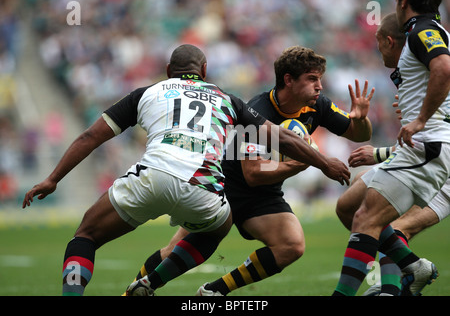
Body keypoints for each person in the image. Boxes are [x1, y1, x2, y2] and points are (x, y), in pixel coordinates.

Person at [22, 44, 350, 296]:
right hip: (204, 187)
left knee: (86, 236)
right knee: (215, 231)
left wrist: (52, 179)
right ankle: (152, 282)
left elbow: (91, 136)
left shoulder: (145, 93)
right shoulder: (228, 99)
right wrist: (325, 163)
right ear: (205, 70)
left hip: (152, 175)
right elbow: (281, 137)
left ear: (168, 70)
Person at [125, 46, 374, 296]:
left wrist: (361, 118)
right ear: (288, 80)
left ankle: (214, 292)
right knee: (172, 251)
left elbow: (359, 134)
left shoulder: (317, 105)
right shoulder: (259, 111)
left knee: (291, 245)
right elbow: (252, 174)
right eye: (312, 79)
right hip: (225, 187)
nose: (319, 86)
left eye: (319, 79)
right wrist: (299, 165)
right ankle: (133, 293)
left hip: (264, 194)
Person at [333, 0, 450, 296]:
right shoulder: (424, 33)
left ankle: (384, 289)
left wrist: (421, 118)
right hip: (421, 147)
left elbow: (444, 69)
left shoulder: (423, 30)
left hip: (430, 147)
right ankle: (412, 265)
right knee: (348, 208)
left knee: (368, 219)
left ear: (403, 1)